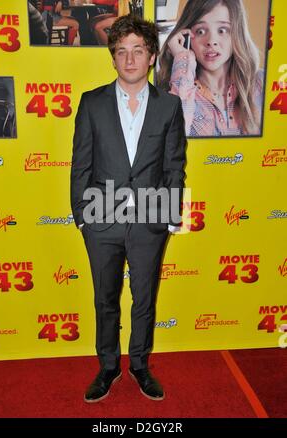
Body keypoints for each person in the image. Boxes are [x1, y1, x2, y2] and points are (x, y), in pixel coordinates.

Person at [71, 14, 186, 402]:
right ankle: (107, 367)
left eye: (138, 50)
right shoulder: (91, 103)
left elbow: (174, 165)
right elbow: (81, 165)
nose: (130, 59)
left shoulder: (169, 106)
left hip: (149, 221)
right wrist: (83, 217)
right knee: (104, 298)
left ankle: (139, 365)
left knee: (144, 298)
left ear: (152, 56)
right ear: (113, 57)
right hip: (101, 219)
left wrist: (167, 217)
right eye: (122, 52)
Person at [157, 0, 264, 137]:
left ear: (237, 34)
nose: (211, 41)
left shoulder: (261, 83)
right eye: (200, 31)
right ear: (186, 36)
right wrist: (183, 57)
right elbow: (174, 142)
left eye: (222, 30)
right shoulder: (170, 89)